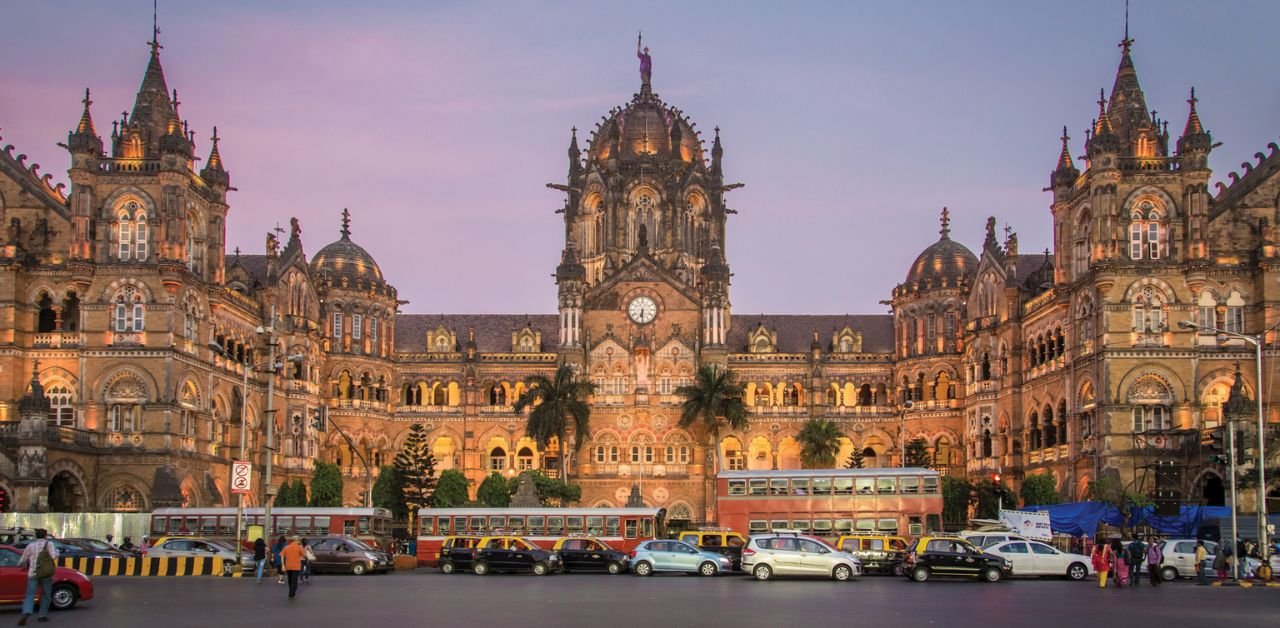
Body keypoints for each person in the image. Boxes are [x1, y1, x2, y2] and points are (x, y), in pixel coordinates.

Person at [17, 529, 59, 625]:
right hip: (45, 573)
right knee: (46, 594)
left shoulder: (30, 545)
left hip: (33, 573)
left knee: (30, 594)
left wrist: (19, 565)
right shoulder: (49, 544)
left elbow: (23, 559)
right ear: (45, 536)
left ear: (36, 536)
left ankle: (27, 612)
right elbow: (53, 556)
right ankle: (42, 616)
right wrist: (57, 552)